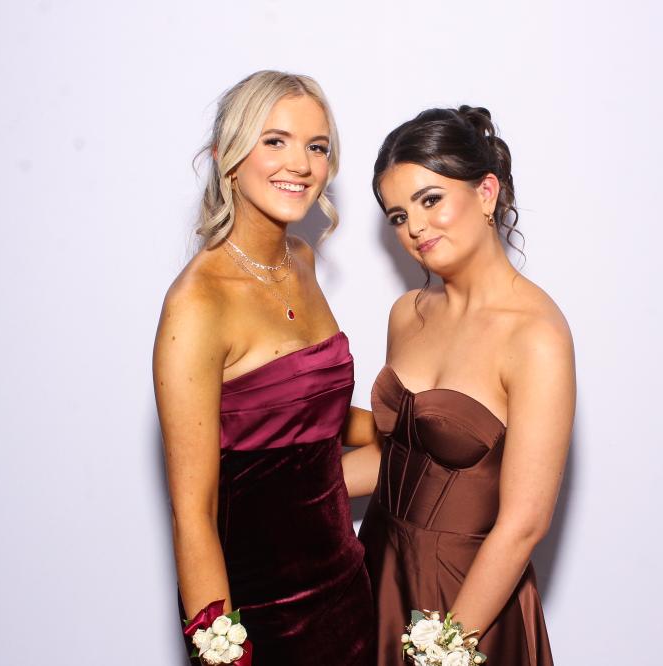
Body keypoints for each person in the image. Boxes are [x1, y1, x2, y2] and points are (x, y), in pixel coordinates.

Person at [153, 70, 374, 665]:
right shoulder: (197, 304)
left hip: (346, 589)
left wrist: (413, 424)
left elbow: (308, 420)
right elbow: (193, 515)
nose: (300, 163)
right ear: (226, 158)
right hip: (264, 614)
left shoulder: (300, 258)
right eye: (275, 141)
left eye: (317, 146)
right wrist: (226, 652)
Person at [345, 105, 575, 665]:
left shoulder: (536, 336)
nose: (415, 227)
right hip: (379, 572)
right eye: (398, 215)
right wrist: (280, 494)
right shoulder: (407, 314)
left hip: (469, 603)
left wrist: (446, 648)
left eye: (430, 200)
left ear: (486, 192)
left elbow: (524, 525)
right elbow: (397, 460)